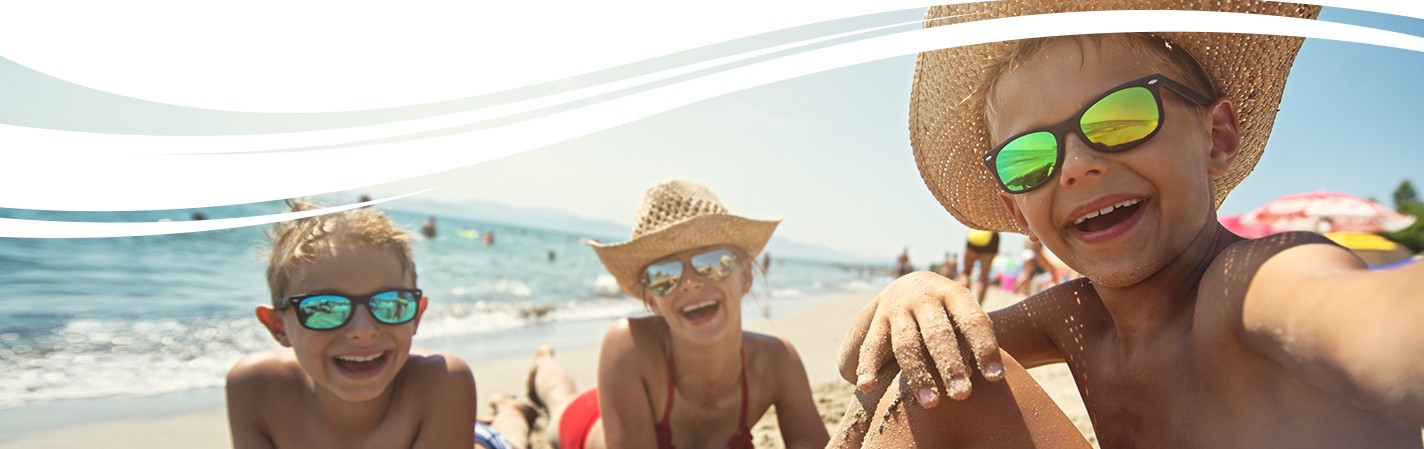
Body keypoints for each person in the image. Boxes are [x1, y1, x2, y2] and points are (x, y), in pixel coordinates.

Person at [838, 2, 1424, 448]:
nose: (1074, 165)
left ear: (1215, 137)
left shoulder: (1250, 285)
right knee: (931, 372)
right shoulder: (1074, 316)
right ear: (1018, 211)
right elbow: (883, 358)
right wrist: (912, 288)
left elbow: (1370, 315)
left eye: (1120, 118)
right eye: (1027, 158)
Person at [524, 179, 829, 449]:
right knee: (559, 401)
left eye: (711, 262)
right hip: (590, 421)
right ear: (651, 299)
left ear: (745, 276)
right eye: (664, 274)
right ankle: (543, 363)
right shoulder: (627, 344)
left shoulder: (777, 362)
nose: (690, 282)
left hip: (627, 395)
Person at [225, 200, 517, 449]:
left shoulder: (442, 381)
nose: (363, 330)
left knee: (511, 436)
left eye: (391, 304)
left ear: (415, 316)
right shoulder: (256, 388)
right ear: (278, 326)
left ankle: (513, 411)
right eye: (326, 307)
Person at [961, 229, 1000, 304]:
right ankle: (979, 305)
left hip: (975, 235)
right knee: (984, 275)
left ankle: (965, 303)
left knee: (966, 273)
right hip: (992, 237)